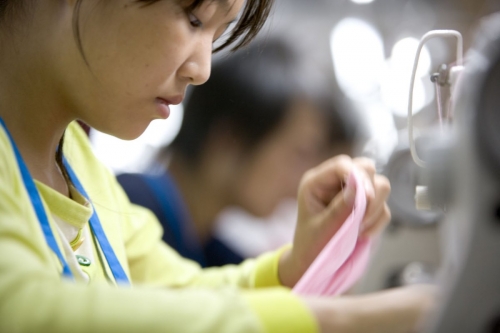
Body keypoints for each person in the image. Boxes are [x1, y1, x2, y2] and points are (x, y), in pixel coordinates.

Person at [0, 1, 434, 332]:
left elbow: (173, 290)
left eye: (216, 33)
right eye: (193, 19)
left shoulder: (79, 166)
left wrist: (295, 264)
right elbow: (24, 310)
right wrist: (346, 319)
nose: (203, 69)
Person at [117, 37, 364, 267]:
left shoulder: (210, 251)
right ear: (230, 141)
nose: (303, 177)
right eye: (299, 154)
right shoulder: (123, 209)